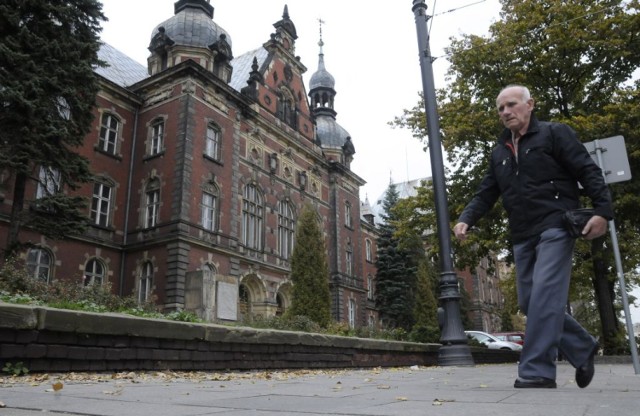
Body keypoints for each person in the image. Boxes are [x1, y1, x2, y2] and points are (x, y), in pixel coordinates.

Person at [453, 85, 613, 389]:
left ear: (530, 105)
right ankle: (582, 345)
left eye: (511, 105)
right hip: (522, 234)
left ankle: (537, 370)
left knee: (544, 296)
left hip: (555, 225)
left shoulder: (555, 133)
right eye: (500, 108)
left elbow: (587, 170)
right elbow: (486, 192)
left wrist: (603, 212)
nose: (505, 112)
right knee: (530, 301)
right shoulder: (499, 151)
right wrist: (466, 218)